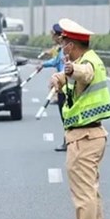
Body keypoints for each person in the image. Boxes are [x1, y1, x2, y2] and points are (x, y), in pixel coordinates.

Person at [49, 18, 110, 219]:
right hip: (92, 134)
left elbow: (84, 74)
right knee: (92, 191)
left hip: (84, 136)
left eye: (64, 42)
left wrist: (70, 70)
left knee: (84, 193)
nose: (62, 46)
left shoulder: (85, 63)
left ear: (71, 46)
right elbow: (77, 80)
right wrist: (61, 78)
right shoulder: (90, 58)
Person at [37, 23, 67, 152]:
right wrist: (43, 65)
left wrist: (58, 79)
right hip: (62, 88)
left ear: (58, 35)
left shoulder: (66, 50)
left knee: (67, 116)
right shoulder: (61, 49)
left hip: (66, 88)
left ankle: (69, 142)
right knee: (65, 116)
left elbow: (66, 68)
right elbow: (55, 61)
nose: (52, 37)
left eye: (53, 34)